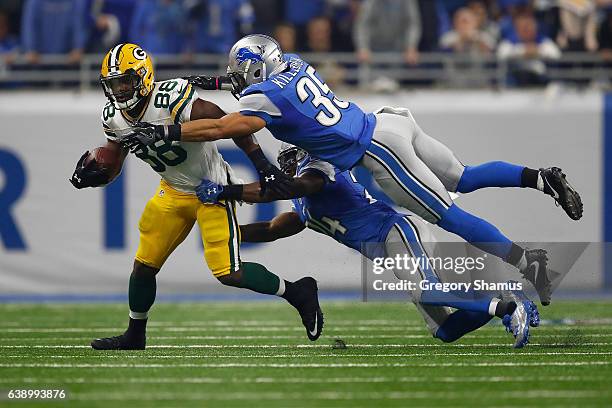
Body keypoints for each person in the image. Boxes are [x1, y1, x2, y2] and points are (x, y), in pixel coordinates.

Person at [124, 34, 583, 307]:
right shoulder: (294, 65)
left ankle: (530, 264)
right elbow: (253, 84)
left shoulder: (262, 99)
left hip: (376, 151)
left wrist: (164, 134)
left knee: (446, 214)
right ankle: (539, 177)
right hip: (390, 120)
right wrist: (213, 81)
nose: (234, 76)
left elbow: (222, 127)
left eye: (237, 71)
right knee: (461, 176)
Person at [69, 43, 323, 349]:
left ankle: (297, 292)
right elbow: (115, 160)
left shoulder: (170, 98)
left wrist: (261, 164)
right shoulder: (113, 116)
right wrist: (96, 175)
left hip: (210, 188)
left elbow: (230, 125)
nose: (120, 90)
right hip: (172, 190)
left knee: (229, 273)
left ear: (144, 77)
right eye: (113, 84)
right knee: (144, 265)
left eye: (125, 81)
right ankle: (135, 335)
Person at [196, 143, 540, 348]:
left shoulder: (318, 174)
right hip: (389, 247)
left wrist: (230, 192)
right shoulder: (302, 208)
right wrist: (230, 232)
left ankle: (506, 310)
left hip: (396, 231)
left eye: (290, 162)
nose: (285, 168)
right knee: (446, 331)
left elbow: (297, 188)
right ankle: (507, 297)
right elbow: (272, 228)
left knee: (426, 290)